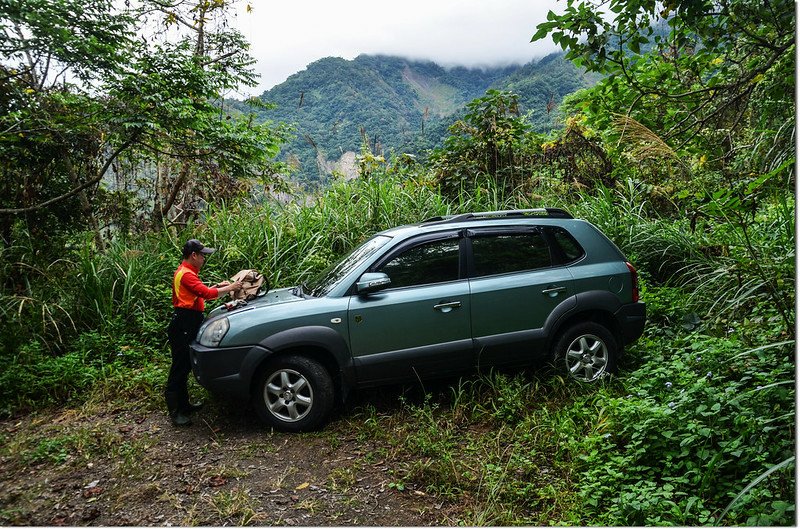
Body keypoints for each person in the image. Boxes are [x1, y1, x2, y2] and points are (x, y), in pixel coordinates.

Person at [166, 238, 242, 426]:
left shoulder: (186, 272)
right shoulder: (186, 274)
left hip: (187, 322)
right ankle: (175, 411)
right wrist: (230, 288)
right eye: (202, 256)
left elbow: (201, 292)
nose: (203, 259)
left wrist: (219, 287)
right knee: (179, 368)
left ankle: (184, 406)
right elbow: (206, 294)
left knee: (185, 366)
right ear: (193, 255)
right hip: (184, 323)